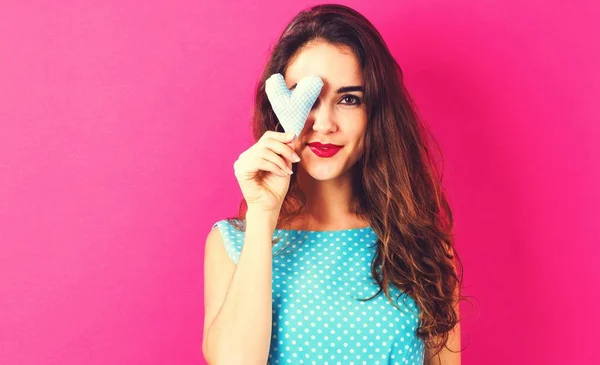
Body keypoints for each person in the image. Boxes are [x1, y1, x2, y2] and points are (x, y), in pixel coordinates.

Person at [202, 4, 464, 365]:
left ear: (375, 113)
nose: (324, 123)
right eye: (306, 99)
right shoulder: (233, 243)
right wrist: (263, 214)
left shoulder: (424, 250)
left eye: (349, 99)